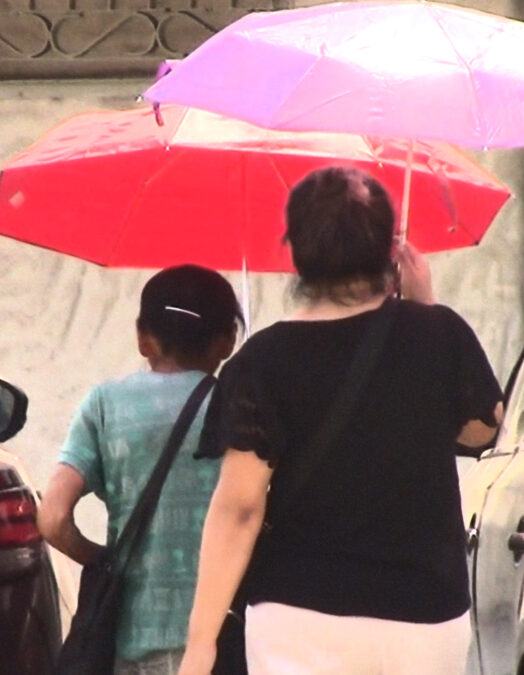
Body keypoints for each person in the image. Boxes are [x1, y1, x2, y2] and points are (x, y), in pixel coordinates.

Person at [178, 167, 505, 675]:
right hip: (423, 612)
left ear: (296, 250)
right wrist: (425, 307)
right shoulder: (439, 334)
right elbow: (482, 430)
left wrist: (201, 643)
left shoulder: (260, 361)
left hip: (298, 613)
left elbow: (239, 509)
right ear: (388, 249)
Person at [37, 264, 243, 675]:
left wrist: (105, 559)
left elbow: (53, 519)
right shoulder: (242, 408)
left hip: (133, 639)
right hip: (225, 636)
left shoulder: (105, 404)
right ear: (227, 342)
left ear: (143, 339)